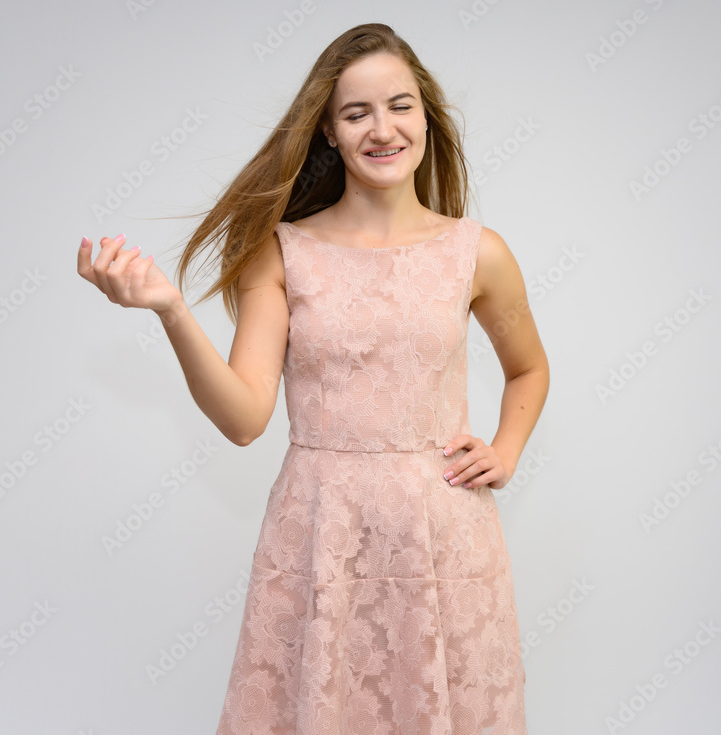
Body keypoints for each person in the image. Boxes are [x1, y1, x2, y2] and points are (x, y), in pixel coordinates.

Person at [77, 21, 548, 735]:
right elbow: (243, 419)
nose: (382, 128)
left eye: (399, 105)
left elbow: (529, 369)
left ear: (426, 113)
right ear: (328, 131)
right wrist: (170, 308)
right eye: (356, 112)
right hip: (319, 536)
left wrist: (507, 451)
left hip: (444, 539)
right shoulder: (284, 251)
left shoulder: (477, 253)